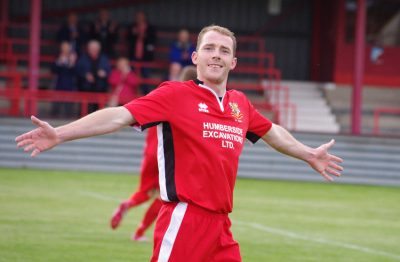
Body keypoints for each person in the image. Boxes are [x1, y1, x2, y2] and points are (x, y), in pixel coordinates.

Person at [15, 25, 343, 261]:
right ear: (195, 56)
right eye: (210, 49)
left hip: (221, 226)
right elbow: (118, 115)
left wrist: (308, 153)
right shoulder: (175, 95)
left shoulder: (239, 103)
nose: (217, 55)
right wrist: (60, 133)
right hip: (185, 218)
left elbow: (272, 131)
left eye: (224, 50)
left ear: (233, 63)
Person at [109, 66, 198, 242]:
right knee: (166, 196)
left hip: (151, 153)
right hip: (169, 156)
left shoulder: (164, 95)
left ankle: (128, 204)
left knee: (145, 191)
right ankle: (139, 232)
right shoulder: (189, 101)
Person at [76, 40, 111, 113]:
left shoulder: (104, 58)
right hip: (86, 87)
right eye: (92, 48)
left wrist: (104, 73)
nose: (94, 50)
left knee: (98, 109)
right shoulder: (83, 58)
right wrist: (85, 75)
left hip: (100, 87)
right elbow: (77, 70)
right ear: (88, 48)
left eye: (95, 48)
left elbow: (108, 70)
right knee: (85, 107)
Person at [127, 11, 157, 94]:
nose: (139, 19)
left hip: (146, 57)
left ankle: (145, 94)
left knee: (145, 77)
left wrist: (145, 36)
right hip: (134, 55)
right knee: (132, 76)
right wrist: (134, 33)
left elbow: (153, 40)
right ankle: (132, 93)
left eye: (141, 17)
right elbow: (127, 39)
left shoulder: (150, 28)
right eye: (137, 17)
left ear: (144, 18)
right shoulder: (132, 27)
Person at [51, 41, 78, 118]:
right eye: (64, 47)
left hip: (70, 85)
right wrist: (59, 62)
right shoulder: (58, 57)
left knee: (69, 106)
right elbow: (53, 70)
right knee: (56, 105)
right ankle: (54, 118)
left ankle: (68, 118)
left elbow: (76, 72)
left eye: (67, 47)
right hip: (58, 84)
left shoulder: (73, 57)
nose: (65, 49)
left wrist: (72, 63)